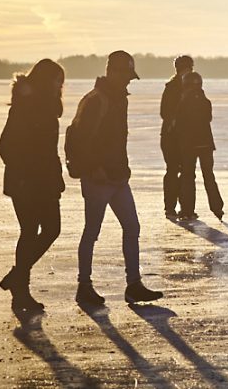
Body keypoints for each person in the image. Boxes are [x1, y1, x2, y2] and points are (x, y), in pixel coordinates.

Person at [72, 50, 163, 306]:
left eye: (130, 77)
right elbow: (78, 139)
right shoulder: (95, 100)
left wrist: (122, 168)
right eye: (125, 76)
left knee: (132, 227)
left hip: (118, 177)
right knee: (92, 231)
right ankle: (84, 286)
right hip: (97, 179)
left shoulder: (119, 98)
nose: (128, 81)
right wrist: (93, 168)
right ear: (112, 71)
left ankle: (133, 285)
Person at [0, 59, 66, 313]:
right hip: (25, 182)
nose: (60, 85)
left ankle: (17, 277)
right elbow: (5, 146)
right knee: (29, 231)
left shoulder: (49, 106)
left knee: (52, 229)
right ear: (45, 80)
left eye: (62, 81)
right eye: (57, 80)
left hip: (46, 181)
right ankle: (21, 292)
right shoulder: (24, 107)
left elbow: (48, 149)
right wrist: (23, 175)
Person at [174, 72, 224, 221]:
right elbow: (208, 118)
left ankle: (188, 209)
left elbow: (179, 123)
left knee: (188, 176)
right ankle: (217, 207)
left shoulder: (183, 102)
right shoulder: (206, 101)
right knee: (209, 175)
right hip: (206, 144)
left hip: (189, 145)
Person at [160, 55, 194, 218]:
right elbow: (164, 112)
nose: (188, 71)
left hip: (187, 138)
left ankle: (186, 208)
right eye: (186, 68)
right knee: (173, 170)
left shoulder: (194, 87)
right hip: (170, 137)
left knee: (187, 172)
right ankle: (170, 207)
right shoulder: (171, 87)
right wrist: (175, 120)